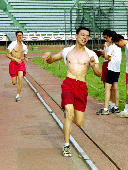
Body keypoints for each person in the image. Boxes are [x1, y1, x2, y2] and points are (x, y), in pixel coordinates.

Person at [42, 27, 101, 157]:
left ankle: (68, 111)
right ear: (76, 36)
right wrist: (48, 56)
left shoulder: (91, 54)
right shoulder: (67, 51)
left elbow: (99, 74)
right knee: (69, 115)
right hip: (68, 84)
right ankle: (66, 145)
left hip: (81, 86)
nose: (84, 37)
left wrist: (93, 66)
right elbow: (52, 60)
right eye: (82, 35)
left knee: (79, 122)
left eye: (87, 36)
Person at [98, 31, 122, 115]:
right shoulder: (119, 47)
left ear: (111, 38)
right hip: (117, 70)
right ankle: (115, 107)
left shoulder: (111, 47)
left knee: (107, 88)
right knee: (115, 87)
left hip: (111, 68)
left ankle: (106, 108)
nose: (105, 40)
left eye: (106, 38)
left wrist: (105, 48)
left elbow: (108, 57)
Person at [6, 31, 28, 102]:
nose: (20, 37)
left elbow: (25, 55)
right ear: (16, 36)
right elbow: (7, 54)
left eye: (21, 35)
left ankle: (18, 95)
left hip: (20, 63)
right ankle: (17, 91)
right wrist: (14, 59)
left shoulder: (24, 46)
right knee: (14, 82)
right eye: (18, 35)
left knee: (20, 79)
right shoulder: (12, 44)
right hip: (13, 64)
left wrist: (26, 58)